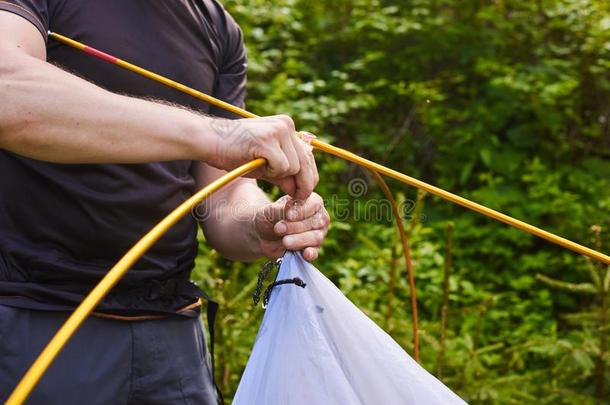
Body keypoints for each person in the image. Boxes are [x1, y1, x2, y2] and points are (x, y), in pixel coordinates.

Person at [0, 1, 330, 403]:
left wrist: (262, 221)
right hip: (35, 316)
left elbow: (220, 192)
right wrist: (216, 135)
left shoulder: (215, 25)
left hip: (172, 337)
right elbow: (8, 91)